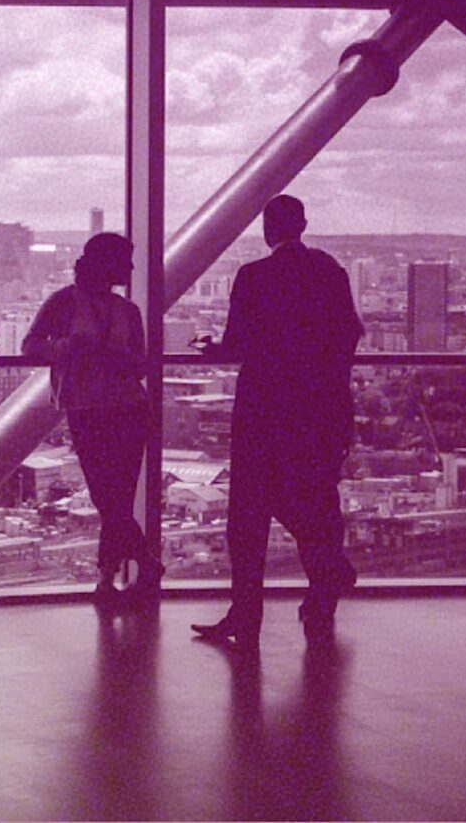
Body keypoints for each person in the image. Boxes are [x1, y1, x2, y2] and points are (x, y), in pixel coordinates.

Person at [191, 194, 362, 651]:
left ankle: (246, 616)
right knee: (318, 500)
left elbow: (237, 345)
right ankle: (323, 593)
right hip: (320, 409)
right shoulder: (330, 272)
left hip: (264, 410)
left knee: (249, 516)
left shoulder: (254, 276)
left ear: (268, 228)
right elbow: (349, 335)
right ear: (303, 225)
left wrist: (212, 349)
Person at [22, 232, 163, 604]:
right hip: (99, 409)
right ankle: (141, 564)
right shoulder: (65, 302)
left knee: (114, 499)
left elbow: (141, 364)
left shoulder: (125, 310)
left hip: (121, 409)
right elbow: (30, 347)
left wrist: (95, 354)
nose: (131, 267)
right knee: (110, 499)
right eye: (125, 260)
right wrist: (68, 347)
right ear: (107, 265)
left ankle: (109, 579)